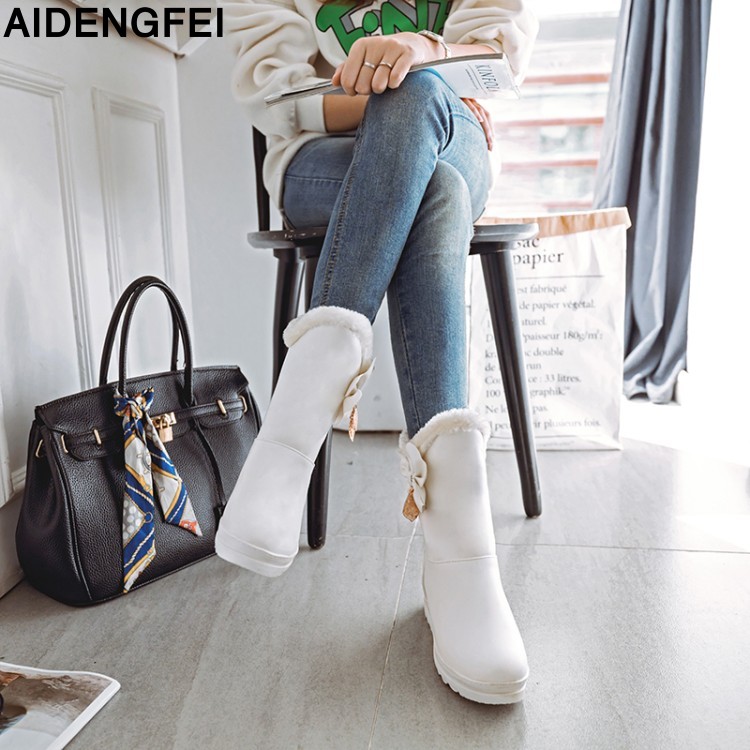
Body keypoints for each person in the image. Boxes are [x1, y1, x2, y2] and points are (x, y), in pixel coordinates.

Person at [215, 0, 539, 705]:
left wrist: (424, 55)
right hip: (320, 159)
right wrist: (407, 91)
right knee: (434, 177)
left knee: (426, 123)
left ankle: (293, 432)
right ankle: (460, 556)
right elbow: (276, 98)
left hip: (454, 133)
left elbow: (497, 57)